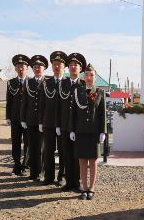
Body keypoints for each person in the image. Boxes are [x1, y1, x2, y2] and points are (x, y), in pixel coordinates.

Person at [69, 63, 106, 200]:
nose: (89, 77)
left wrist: (103, 131)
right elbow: (73, 113)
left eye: (92, 75)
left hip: (94, 132)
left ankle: (92, 188)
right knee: (82, 161)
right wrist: (72, 129)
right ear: (83, 77)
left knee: (93, 161)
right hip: (81, 131)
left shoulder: (100, 92)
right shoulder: (78, 91)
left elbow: (102, 113)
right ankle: (83, 188)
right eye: (87, 75)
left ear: (95, 77)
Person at [56, 53, 86, 192]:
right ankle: (69, 182)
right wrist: (57, 124)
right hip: (65, 125)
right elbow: (57, 106)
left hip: (79, 127)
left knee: (78, 155)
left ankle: (78, 182)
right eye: (71, 65)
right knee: (66, 155)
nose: (73, 67)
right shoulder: (62, 83)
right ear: (68, 68)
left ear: (80, 69)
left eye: (76, 65)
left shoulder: (84, 85)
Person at [39, 51, 66, 185]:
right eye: (55, 64)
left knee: (63, 151)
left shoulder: (67, 83)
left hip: (63, 123)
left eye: (60, 64)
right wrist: (40, 121)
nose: (57, 67)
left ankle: (61, 177)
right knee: (48, 151)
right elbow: (41, 104)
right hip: (48, 122)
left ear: (64, 67)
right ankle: (49, 177)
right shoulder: (46, 83)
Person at [20, 55, 48, 181]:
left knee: (42, 148)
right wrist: (22, 119)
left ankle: (41, 173)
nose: (37, 69)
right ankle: (33, 173)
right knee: (32, 147)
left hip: (43, 121)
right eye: (35, 67)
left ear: (44, 69)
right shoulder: (28, 82)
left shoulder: (48, 82)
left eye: (40, 67)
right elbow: (24, 102)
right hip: (31, 120)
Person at [6, 54, 30, 176]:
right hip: (15, 118)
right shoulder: (11, 83)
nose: (21, 69)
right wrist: (8, 117)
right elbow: (8, 101)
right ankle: (16, 165)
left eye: (23, 66)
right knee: (15, 142)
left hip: (27, 118)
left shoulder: (31, 82)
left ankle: (25, 165)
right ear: (15, 69)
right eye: (18, 66)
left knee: (27, 143)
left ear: (27, 68)